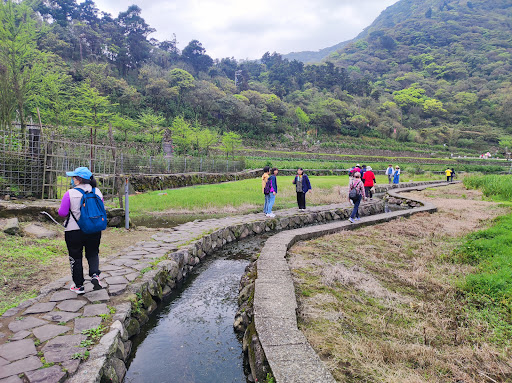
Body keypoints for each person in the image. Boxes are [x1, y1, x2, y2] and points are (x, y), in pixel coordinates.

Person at [58, 167, 104, 294]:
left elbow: (62, 213)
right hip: (94, 229)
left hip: (74, 231)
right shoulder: (97, 192)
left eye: (74, 177)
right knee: (93, 253)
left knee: (75, 257)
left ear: (78, 180)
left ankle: (79, 285)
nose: (72, 180)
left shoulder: (70, 193)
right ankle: (95, 275)